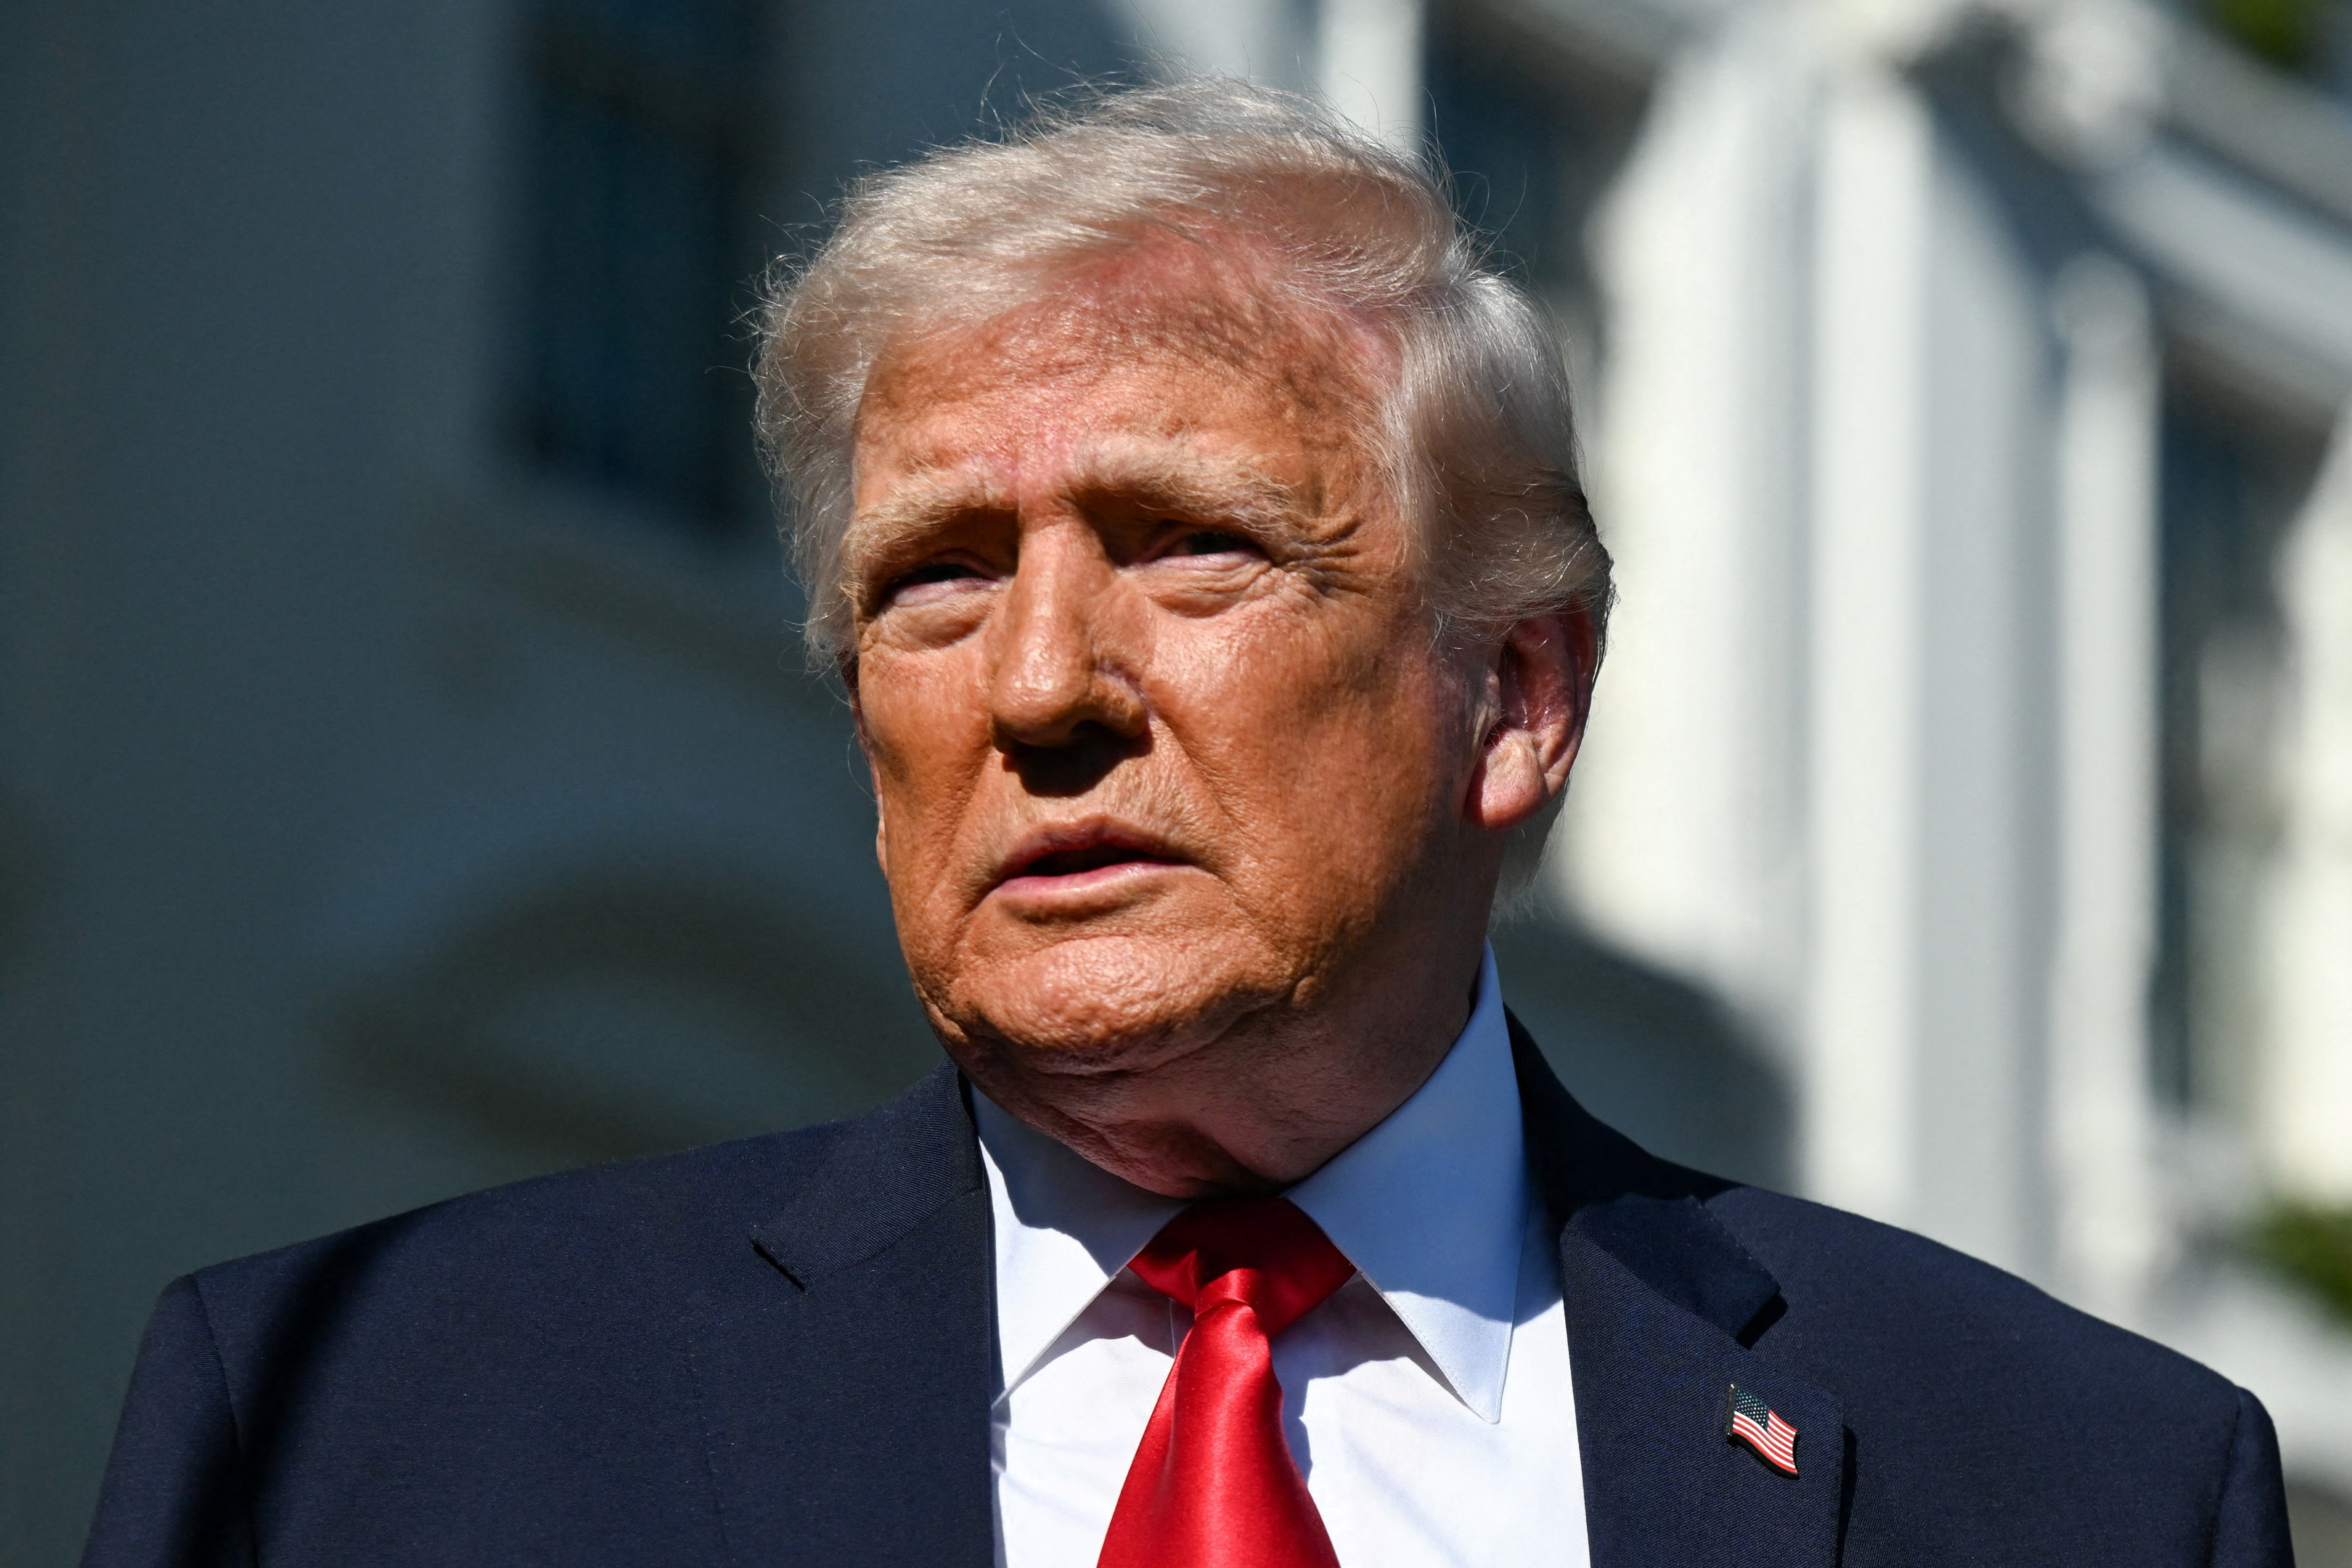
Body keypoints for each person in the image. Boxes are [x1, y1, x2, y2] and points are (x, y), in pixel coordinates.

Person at [82, 80, 2289, 1568]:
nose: (1037, 687)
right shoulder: (355, 1428)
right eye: (933, 577)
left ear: (1514, 695)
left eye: (1188, 547)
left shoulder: (2071, 1482)